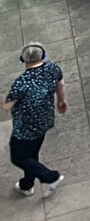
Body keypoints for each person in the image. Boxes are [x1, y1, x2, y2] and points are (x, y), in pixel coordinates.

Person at [5, 43, 66, 195]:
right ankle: (27, 185)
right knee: (31, 155)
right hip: (44, 120)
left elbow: (6, 106)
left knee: (18, 158)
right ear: (43, 56)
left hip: (25, 128)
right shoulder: (53, 68)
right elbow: (61, 85)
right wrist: (61, 101)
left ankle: (51, 177)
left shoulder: (21, 83)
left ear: (23, 60)